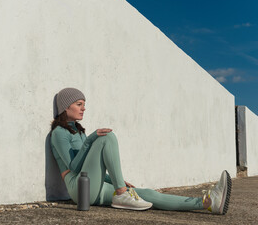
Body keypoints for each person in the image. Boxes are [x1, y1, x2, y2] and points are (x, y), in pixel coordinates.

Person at [50, 87, 231, 214]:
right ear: (66, 107)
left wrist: (117, 180)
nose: (84, 108)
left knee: (148, 194)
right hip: (78, 189)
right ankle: (121, 194)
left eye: (84, 104)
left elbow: (93, 167)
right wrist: (91, 138)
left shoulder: (78, 131)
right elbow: (74, 168)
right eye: (79, 104)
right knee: (106, 137)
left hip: (94, 186)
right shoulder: (59, 133)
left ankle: (208, 203)